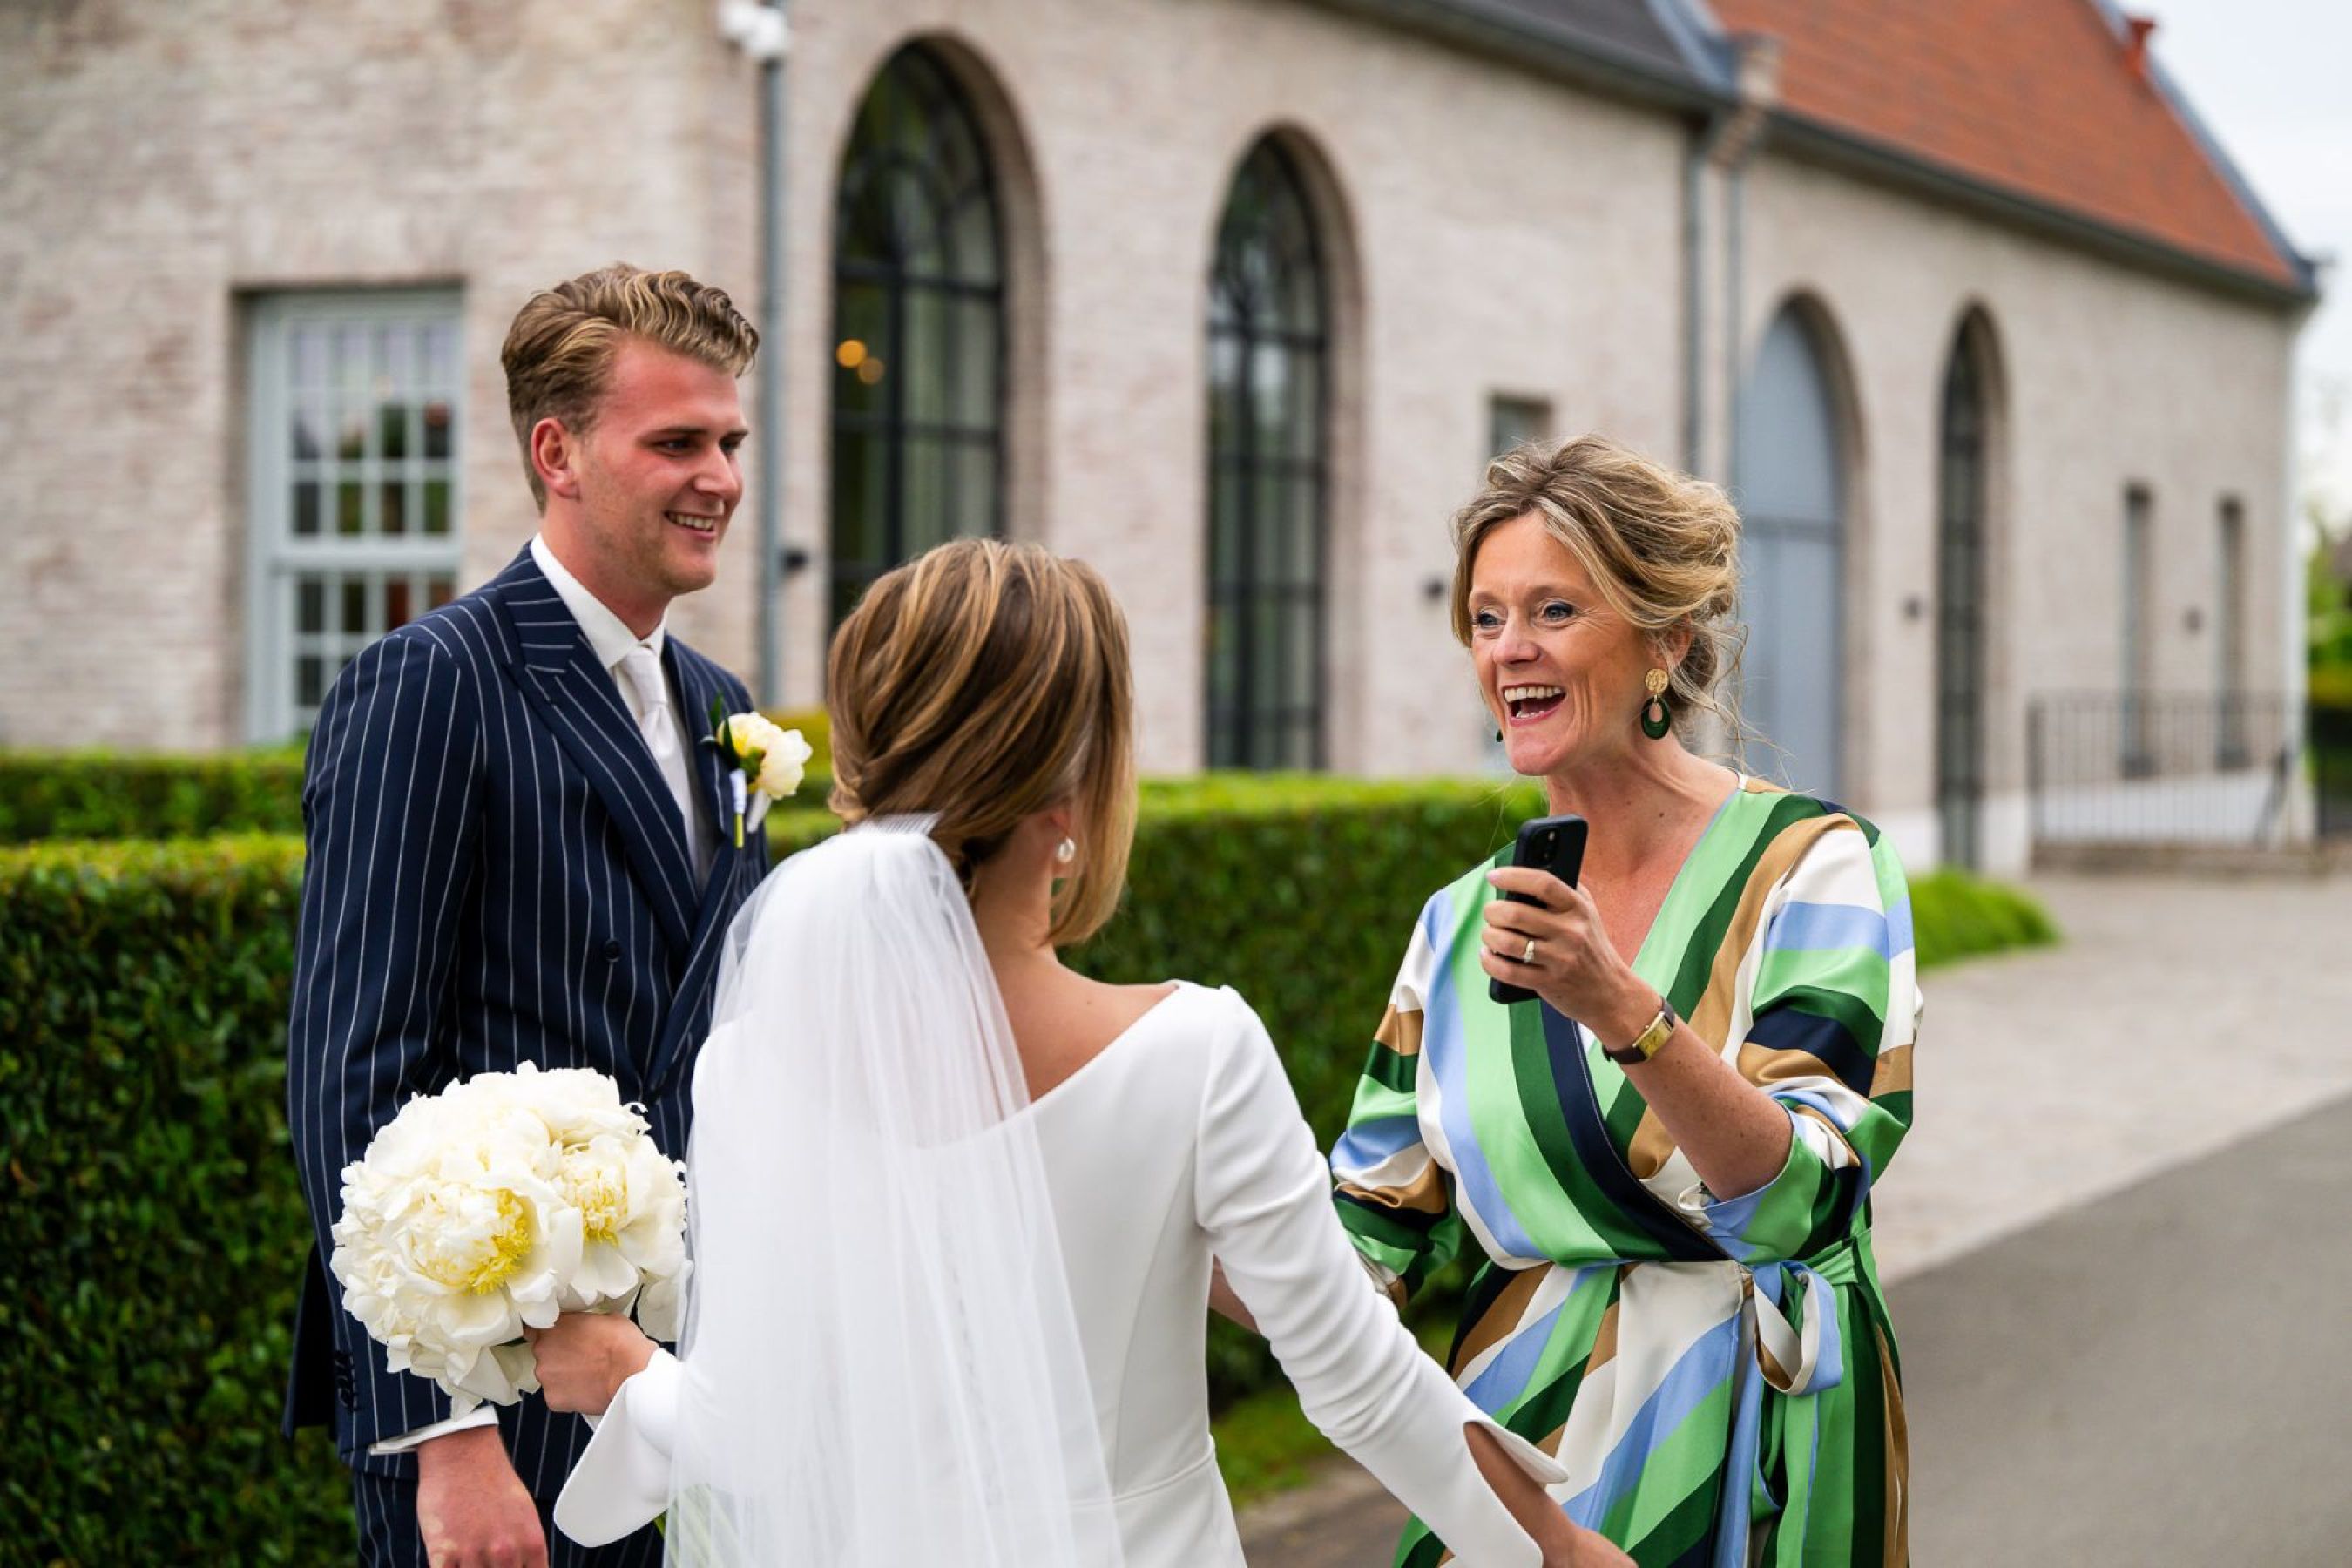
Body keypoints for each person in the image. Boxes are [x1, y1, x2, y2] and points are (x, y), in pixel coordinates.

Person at [528, 539, 1632, 1566]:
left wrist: (637, 1378)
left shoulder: (751, 1064)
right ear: (1073, 791)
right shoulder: (1190, 1055)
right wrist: (1560, 1551)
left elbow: (768, 1438)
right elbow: (1362, 1384)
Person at [1330, 435, 1920, 1566]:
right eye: (1487, 617)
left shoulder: (1817, 867)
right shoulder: (1457, 927)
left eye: (1554, 611)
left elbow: (1807, 1192)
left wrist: (1621, 1008)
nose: (1511, 652)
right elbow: (1364, 1249)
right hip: (1519, 1489)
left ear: (1666, 642)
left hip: (1763, 1455)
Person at [283, 263, 772, 1567]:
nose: (718, 475)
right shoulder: (431, 684)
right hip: (503, 1413)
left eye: (729, 440)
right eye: (675, 441)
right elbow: (353, 1078)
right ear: (557, 451)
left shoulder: (724, 707)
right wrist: (436, 1436)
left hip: (691, 1390)